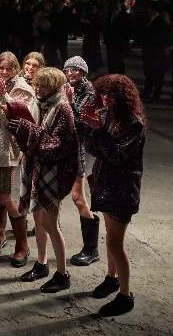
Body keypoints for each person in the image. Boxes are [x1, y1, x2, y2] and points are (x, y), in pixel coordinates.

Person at [9, 67, 79, 293]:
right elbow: (32, 138)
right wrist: (21, 128)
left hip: (54, 174)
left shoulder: (63, 108)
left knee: (51, 224)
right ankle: (41, 264)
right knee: (38, 221)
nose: (38, 89)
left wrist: (27, 128)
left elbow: (57, 145)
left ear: (55, 87)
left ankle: (63, 274)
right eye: (37, 85)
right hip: (37, 170)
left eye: (43, 86)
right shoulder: (40, 103)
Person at [84, 74, 146, 316]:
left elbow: (117, 156)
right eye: (103, 93)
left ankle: (125, 295)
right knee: (110, 237)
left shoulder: (133, 124)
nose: (106, 98)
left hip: (122, 190)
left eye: (112, 94)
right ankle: (111, 278)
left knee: (114, 243)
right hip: (105, 185)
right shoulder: (109, 116)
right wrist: (93, 128)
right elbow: (93, 149)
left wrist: (99, 131)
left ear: (123, 97)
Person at [0, 51, 38, 267]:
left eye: (9, 68)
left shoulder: (23, 88)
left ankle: (22, 246)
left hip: (9, 149)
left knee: (8, 197)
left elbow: (19, 118)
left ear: (16, 69)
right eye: (1, 68)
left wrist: (2, 96)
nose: (4, 72)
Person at [63, 56, 100, 266]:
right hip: (59, 147)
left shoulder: (89, 92)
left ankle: (91, 249)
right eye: (68, 69)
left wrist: (69, 102)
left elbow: (82, 122)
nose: (71, 73)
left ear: (83, 72)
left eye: (75, 69)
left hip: (76, 148)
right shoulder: (65, 86)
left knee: (78, 197)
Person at [141, 3, 173, 103]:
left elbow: (163, 38)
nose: (147, 11)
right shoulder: (149, 20)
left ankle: (155, 94)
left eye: (149, 9)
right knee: (149, 73)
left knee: (156, 74)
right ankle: (148, 91)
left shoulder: (161, 21)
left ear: (153, 10)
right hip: (150, 51)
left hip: (156, 52)